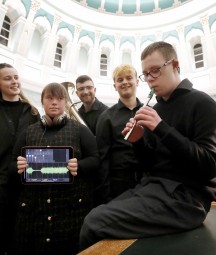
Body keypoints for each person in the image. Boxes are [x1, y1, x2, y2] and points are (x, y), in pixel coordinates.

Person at [79, 41, 216, 251]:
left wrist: (161, 127)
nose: (150, 79)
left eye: (155, 71)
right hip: (153, 187)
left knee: (94, 223)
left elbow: (209, 166)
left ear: (174, 64)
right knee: (95, 215)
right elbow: (151, 164)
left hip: (186, 199)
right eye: (146, 74)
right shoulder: (157, 108)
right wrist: (138, 142)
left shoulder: (202, 103)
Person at [9, 82, 100, 255]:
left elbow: (96, 159)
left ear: (66, 102)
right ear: (42, 101)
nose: (54, 102)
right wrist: (18, 166)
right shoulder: (28, 132)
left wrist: (79, 165)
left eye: (60, 98)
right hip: (33, 215)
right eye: (49, 98)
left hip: (70, 214)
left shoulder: (80, 130)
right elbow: (12, 166)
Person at [0, 63, 40, 255]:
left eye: (16, 77)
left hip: (24, 185)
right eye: (8, 78)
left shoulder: (32, 112)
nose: (14, 81)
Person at [95, 64, 144, 203]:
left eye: (129, 78)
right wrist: (106, 195)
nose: (124, 82)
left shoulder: (149, 112)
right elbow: (102, 159)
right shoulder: (106, 117)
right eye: (120, 79)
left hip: (147, 182)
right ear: (115, 86)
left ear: (137, 82)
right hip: (119, 185)